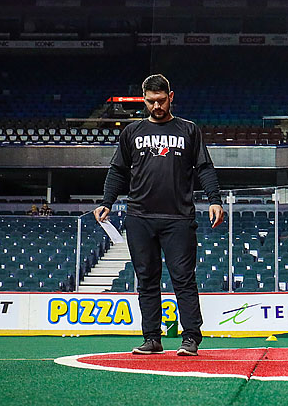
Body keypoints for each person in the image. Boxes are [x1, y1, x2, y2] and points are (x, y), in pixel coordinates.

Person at [95, 73, 224, 357]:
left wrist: (214, 200)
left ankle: (191, 337)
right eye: (151, 101)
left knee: (183, 279)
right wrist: (107, 201)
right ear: (144, 99)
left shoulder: (189, 130)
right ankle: (152, 338)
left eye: (162, 100)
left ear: (171, 97)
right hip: (139, 217)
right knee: (146, 279)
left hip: (179, 218)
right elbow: (118, 170)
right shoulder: (132, 132)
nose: (157, 106)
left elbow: (204, 167)